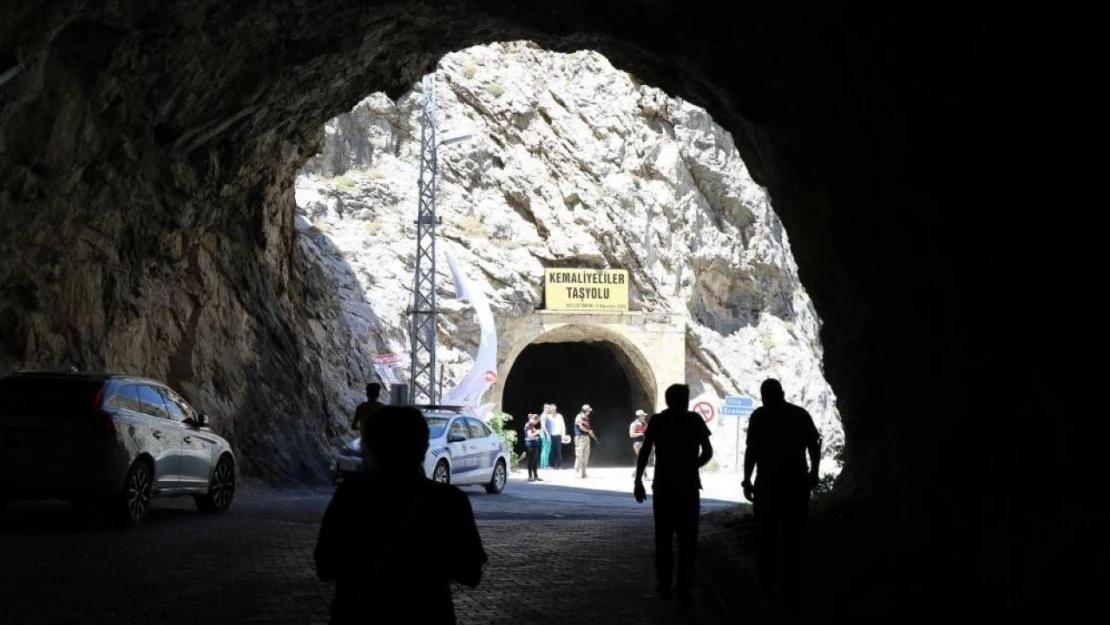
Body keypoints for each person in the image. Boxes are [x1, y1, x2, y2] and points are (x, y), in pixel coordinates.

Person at [315, 405, 487, 624]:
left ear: (371, 447)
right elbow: (470, 573)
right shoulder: (448, 501)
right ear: (424, 448)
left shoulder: (351, 495)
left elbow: (325, 566)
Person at [741, 378, 821, 606]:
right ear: (782, 393)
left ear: (764, 395)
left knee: (766, 536)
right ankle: (791, 587)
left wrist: (747, 479)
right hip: (795, 483)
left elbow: (751, 451)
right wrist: (814, 472)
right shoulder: (799, 414)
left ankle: (767, 587)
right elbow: (813, 445)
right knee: (793, 536)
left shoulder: (760, 416)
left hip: (768, 484)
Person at [634, 384, 713, 605]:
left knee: (663, 538)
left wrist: (638, 480)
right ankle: (684, 585)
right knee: (688, 539)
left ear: (668, 400)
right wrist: (693, 466)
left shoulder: (658, 421)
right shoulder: (694, 420)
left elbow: (645, 450)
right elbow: (708, 451)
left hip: (664, 487)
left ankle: (665, 582)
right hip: (688, 488)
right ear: (685, 400)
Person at [573, 404, 598, 478]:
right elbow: (580, 427)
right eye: (588, 411)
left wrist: (590, 432)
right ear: (586, 410)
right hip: (580, 437)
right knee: (580, 455)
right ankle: (577, 471)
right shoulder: (579, 416)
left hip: (586, 437)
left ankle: (583, 473)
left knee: (586, 455)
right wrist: (588, 431)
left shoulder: (586, 417)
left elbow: (586, 427)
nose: (589, 412)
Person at [523, 413, 544, 482]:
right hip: (531, 445)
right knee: (531, 461)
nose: (537, 423)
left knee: (535, 461)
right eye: (537, 421)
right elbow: (529, 435)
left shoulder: (532, 425)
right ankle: (530, 476)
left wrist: (537, 435)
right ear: (535, 419)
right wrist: (537, 432)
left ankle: (535, 476)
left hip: (534, 444)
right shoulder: (529, 425)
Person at [629, 409, 649, 478]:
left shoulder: (644, 423)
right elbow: (631, 435)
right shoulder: (633, 424)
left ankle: (636, 472)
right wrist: (641, 433)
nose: (644, 417)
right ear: (639, 416)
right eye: (643, 416)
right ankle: (645, 474)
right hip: (637, 444)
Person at [548, 403, 568, 470]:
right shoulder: (548, 416)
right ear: (550, 410)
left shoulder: (559, 416)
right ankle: (552, 466)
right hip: (550, 436)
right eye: (551, 409)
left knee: (558, 451)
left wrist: (563, 435)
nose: (552, 410)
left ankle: (559, 466)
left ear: (555, 409)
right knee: (551, 451)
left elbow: (563, 426)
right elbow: (546, 427)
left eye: (554, 409)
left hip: (558, 435)